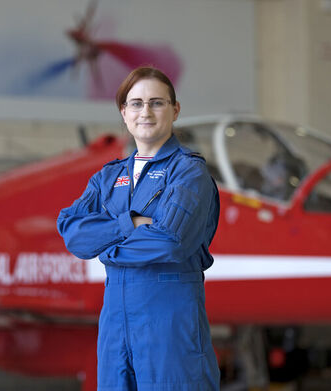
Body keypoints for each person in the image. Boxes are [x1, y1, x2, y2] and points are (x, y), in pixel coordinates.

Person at [57, 67, 220, 391]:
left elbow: (169, 242)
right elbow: (73, 234)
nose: (145, 112)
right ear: (124, 112)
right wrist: (128, 223)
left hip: (169, 323)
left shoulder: (188, 173)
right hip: (115, 323)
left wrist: (105, 245)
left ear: (175, 110)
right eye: (136, 103)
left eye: (156, 103)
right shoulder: (108, 177)